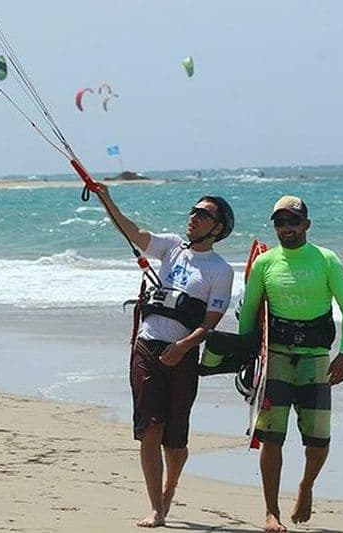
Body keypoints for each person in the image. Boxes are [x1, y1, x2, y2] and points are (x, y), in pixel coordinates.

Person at [95, 183, 235, 528]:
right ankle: (156, 507)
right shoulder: (172, 247)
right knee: (150, 428)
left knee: (175, 441)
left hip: (183, 355)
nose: (194, 217)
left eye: (203, 215)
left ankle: (170, 488)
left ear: (218, 228)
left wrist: (184, 346)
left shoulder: (220, 270)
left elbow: (210, 322)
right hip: (148, 346)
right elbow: (133, 233)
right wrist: (106, 198)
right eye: (194, 211)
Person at [237, 195, 343, 532]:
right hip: (275, 356)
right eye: (280, 222)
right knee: (271, 436)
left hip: (317, 359)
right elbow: (249, 314)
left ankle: (306, 486)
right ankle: (271, 511)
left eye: (293, 221)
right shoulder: (265, 263)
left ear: (307, 224)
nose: (286, 228)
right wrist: (247, 358)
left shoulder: (326, 260)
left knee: (318, 440)